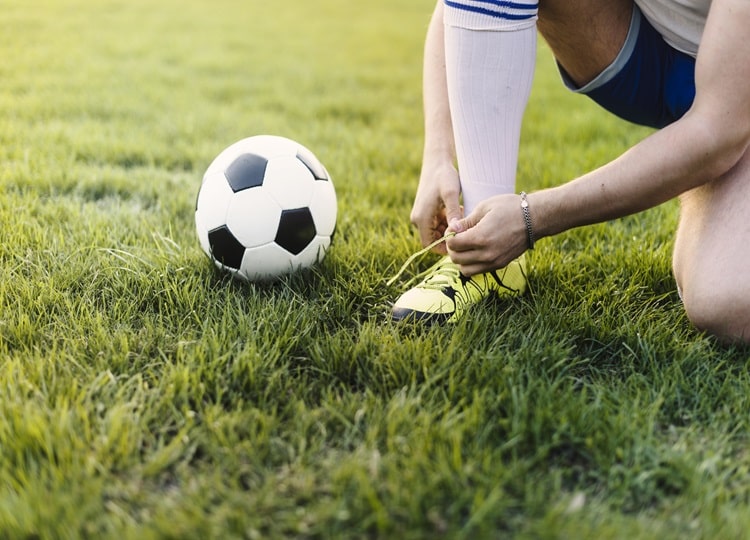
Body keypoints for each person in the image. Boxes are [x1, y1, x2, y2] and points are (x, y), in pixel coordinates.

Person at [391, 0, 750, 343]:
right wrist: (438, 154)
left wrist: (531, 216)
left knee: (722, 300)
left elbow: (716, 130)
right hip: (658, 54)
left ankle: (703, 165)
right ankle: (486, 262)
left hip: (728, 94)